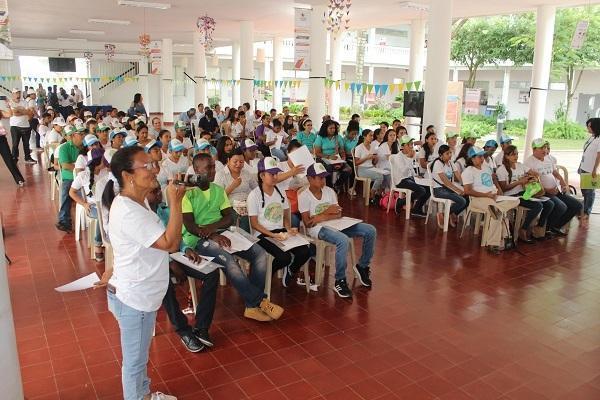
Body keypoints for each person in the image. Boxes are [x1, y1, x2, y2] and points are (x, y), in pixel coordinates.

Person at [99, 146, 184, 400]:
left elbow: (133, 247)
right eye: (146, 166)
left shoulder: (137, 201)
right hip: (135, 299)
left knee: (140, 356)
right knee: (134, 362)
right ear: (128, 175)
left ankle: (144, 394)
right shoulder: (129, 210)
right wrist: (176, 202)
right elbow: (170, 243)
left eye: (153, 163)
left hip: (138, 292)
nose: (154, 169)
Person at [182, 153, 284, 321]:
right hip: (197, 239)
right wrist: (211, 234)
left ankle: (251, 307)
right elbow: (189, 225)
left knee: (259, 254)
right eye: (209, 168)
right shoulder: (189, 193)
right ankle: (259, 301)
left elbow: (229, 217)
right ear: (196, 170)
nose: (214, 171)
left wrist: (214, 230)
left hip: (222, 232)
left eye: (214, 167)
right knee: (228, 260)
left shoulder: (218, 190)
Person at [146, 186, 219, 353]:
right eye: (154, 191)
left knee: (211, 272)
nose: (159, 193)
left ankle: (201, 327)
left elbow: (177, 235)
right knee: (165, 284)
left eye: (159, 190)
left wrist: (186, 249)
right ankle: (183, 331)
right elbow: (150, 249)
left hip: (176, 255)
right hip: (156, 262)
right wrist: (171, 262)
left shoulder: (164, 210)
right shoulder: (143, 217)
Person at [299, 163, 376, 298]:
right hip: (319, 229)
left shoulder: (329, 191)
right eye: (319, 178)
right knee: (343, 240)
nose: (323, 180)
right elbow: (308, 223)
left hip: (338, 224)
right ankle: (340, 280)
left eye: (324, 177)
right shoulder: (304, 196)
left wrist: (319, 216)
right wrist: (327, 213)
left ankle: (362, 266)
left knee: (370, 230)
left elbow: (338, 214)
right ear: (310, 179)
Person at [248, 157, 311, 286]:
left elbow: (286, 216)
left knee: (306, 250)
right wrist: (273, 235)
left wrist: (288, 229)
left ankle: (291, 270)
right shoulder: (254, 195)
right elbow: (254, 224)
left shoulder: (280, 192)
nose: (275, 177)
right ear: (262, 175)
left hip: (280, 232)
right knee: (284, 257)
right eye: (271, 174)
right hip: (262, 234)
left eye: (276, 173)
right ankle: (266, 275)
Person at [462, 146, 519, 253]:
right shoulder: (468, 171)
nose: (482, 159)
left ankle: (497, 209)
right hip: (478, 199)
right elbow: (467, 191)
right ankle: (496, 242)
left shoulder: (486, 167)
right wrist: (486, 195)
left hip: (493, 197)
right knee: (497, 215)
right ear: (472, 159)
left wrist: (497, 190)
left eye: (482, 156)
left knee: (516, 200)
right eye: (479, 157)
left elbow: (493, 181)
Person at [524, 139, 582, 236]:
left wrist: (563, 183)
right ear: (534, 150)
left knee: (577, 205)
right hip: (542, 192)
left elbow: (555, 173)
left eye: (546, 147)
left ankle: (554, 226)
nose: (545, 150)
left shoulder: (548, 158)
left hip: (556, 190)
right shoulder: (529, 162)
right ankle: (545, 228)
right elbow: (531, 183)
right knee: (561, 206)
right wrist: (547, 190)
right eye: (541, 148)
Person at [497, 145, 553, 242]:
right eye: (513, 154)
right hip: (512, 196)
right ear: (506, 156)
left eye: (517, 154)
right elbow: (504, 188)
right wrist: (519, 182)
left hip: (523, 193)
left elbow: (535, 173)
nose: (516, 156)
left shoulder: (520, 165)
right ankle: (523, 229)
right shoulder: (502, 169)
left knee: (549, 204)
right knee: (537, 206)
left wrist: (532, 178)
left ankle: (538, 228)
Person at [69, 148, 108, 260]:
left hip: (106, 205)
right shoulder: (83, 175)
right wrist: (84, 204)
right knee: (104, 214)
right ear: (99, 161)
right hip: (93, 206)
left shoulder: (106, 172)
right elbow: (72, 192)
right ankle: (98, 243)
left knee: (109, 212)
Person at [214, 148, 258, 232]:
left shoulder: (246, 173)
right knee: (245, 219)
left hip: (247, 203)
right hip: (230, 206)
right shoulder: (221, 175)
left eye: (241, 162)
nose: (238, 164)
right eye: (235, 162)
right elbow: (217, 198)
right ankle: (246, 241)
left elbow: (257, 189)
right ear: (228, 160)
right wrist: (232, 186)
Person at [390, 136, 430, 217]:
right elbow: (403, 171)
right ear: (403, 146)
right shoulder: (398, 156)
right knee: (421, 190)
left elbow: (411, 168)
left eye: (412, 144)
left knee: (428, 189)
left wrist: (415, 176)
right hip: (400, 180)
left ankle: (416, 209)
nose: (411, 146)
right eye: (409, 144)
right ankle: (401, 202)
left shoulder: (410, 154)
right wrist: (410, 158)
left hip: (409, 179)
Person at [430, 145, 468, 228]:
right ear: (441, 155)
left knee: (467, 197)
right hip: (439, 190)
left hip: (448, 188)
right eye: (447, 153)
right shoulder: (437, 163)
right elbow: (446, 182)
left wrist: (465, 186)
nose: (450, 155)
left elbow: (458, 175)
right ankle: (444, 214)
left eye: (450, 153)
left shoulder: (450, 162)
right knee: (462, 201)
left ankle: (450, 214)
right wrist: (458, 190)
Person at [56, 125, 85, 232]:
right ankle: (64, 220)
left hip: (85, 177)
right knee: (67, 190)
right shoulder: (64, 148)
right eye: (80, 134)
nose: (83, 136)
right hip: (70, 177)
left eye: (83, 134)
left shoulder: (85, 147)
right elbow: (65, 166)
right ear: (73, 136)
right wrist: (79, 168)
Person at [354, 129, 385, 204]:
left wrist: (375, 159)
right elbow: (356, 163)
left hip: (371, 168)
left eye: (372, 135)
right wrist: (366, 158)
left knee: (384, 174)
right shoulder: (359, 147)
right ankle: (372, 193)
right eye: (370, 135)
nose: (372, 137)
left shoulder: (372, 147)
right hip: (362, 169)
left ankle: (377, 194)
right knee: (380, 177)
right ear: (364, 136)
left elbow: (373, 162)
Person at [579, 118, 600, 227]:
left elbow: (598, 155)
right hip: (584, 167)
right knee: (584, 190)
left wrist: (595, 169)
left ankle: (587, 212)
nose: (588, 128)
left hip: (591, 170)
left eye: (590, 126)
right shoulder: (592, 137)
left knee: (590, 191)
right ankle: (584, 208)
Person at [7, 88, 37, 164]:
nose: (18, 95)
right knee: (15, 144)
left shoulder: (24, 102)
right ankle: (14, 158)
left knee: (27, 144)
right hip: (15, 126)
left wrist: (20, 110)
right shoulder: (10, 103)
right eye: (16, 93)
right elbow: (14, 113)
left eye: (19, 93)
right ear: (13, 94)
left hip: (26, 125)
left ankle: (27, 158)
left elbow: (30, 113)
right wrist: (24, 111)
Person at [0, 110, 25, 186]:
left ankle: (19, 179)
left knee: (8, 158)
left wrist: (8, 106)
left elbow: (10, 114)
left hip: (1, 138)